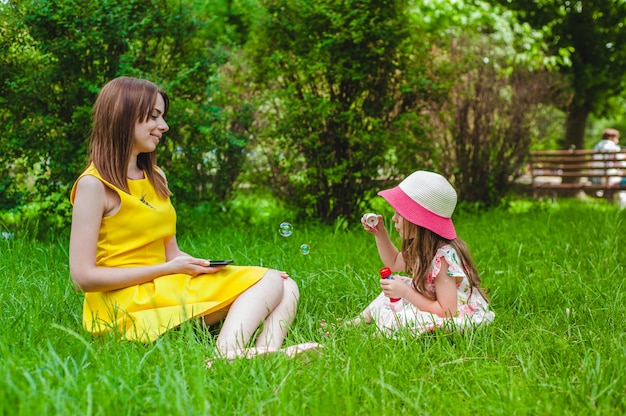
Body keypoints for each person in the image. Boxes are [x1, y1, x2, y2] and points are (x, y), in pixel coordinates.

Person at [69, 76, 319, 366]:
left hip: (163, 284)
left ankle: (266, 355)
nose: (164, 126)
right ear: (123, 117)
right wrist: (166, 269)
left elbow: (171, 252)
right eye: (154, 116)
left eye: (162, 116)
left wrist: (202, 267)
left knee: (286, 285)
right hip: (124, 303)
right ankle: (225, 355)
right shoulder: (94, 185)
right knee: (269, 280)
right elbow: (83, 278)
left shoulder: (155, 177)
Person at [355, 170, 494, 335]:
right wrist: (380, 233)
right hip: (433, 302)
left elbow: (447, 312)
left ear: (419, 220)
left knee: (405, 317)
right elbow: (393, 261)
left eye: (400, 214)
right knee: (394, 288)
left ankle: (383, 329)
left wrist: (406, 292)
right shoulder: (422, 246)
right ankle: (354, 324)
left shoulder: (443, 259)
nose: (394, 219)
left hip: (454, 313)